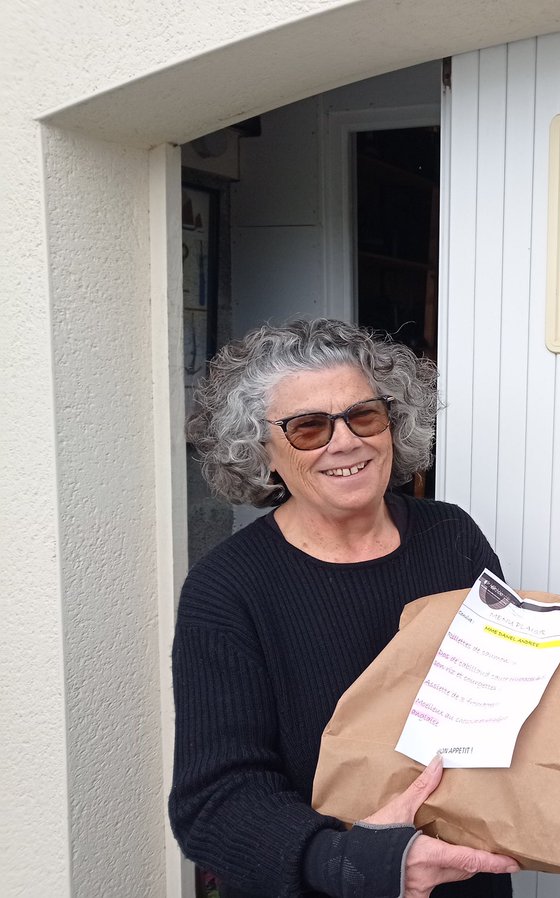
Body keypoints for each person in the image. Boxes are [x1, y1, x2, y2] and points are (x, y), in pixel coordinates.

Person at [169, 319, 518, 898]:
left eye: (364, 415)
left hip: (466, 879)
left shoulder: (451, 536)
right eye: (308, 428)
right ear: (262, 452)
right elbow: (215, 802)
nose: (346, 441)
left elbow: (505, 700)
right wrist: (350, 861)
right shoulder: (227, 588)